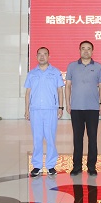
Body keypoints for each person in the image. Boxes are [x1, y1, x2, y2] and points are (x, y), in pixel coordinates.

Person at [66, 41, 101, 177]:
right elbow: (68, 86)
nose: (86, 51)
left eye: (89, 49)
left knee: (92, 138)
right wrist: (68, 103)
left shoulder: (98, 67)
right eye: (83, 48)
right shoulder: (72, 66)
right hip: (76, 107)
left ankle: (91, 167)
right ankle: (76, 166)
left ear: (92, 51)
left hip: (93, 108)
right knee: (77, 138)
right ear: (79, 50)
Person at [24, 47, 64, 178]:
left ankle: (51, 165)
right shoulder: (32, 73)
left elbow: (60, 90)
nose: (42, 56)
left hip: (51, 109)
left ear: (49, 56)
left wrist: (60, 107)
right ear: (36, 56)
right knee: (37, 138)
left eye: (45, 54)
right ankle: (37, 166)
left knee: (50, 138)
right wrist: (26, 110)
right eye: (39, 54)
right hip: (35, 110)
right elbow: (28, 93)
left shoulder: (55, 72)